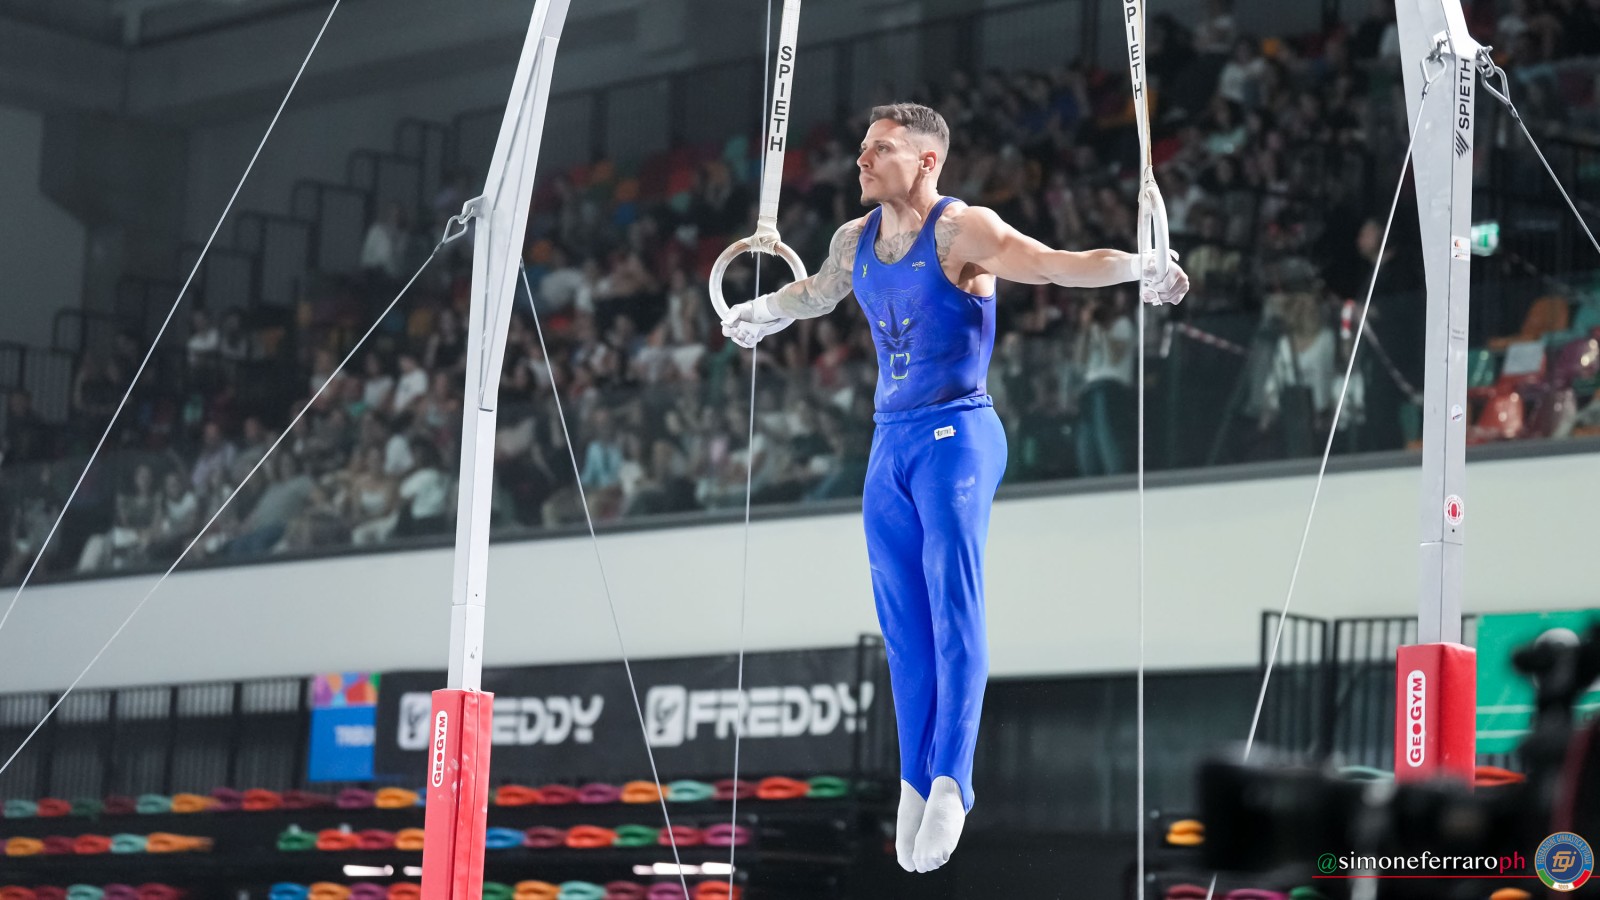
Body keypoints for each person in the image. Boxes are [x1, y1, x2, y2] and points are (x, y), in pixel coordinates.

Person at [720, 103, 1188, 874]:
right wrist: (760, 311)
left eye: (880, 149)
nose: (861, 160)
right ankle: (914, 779)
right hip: (889, 446)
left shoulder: (961, 231)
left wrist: (1143, 266)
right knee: (903, 629)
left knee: (949, 602)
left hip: (957, 436)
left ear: (927, 161)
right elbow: (819, 294)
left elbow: (1052, 263)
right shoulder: (852, 240)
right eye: (862, 147)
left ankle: (952, 781)